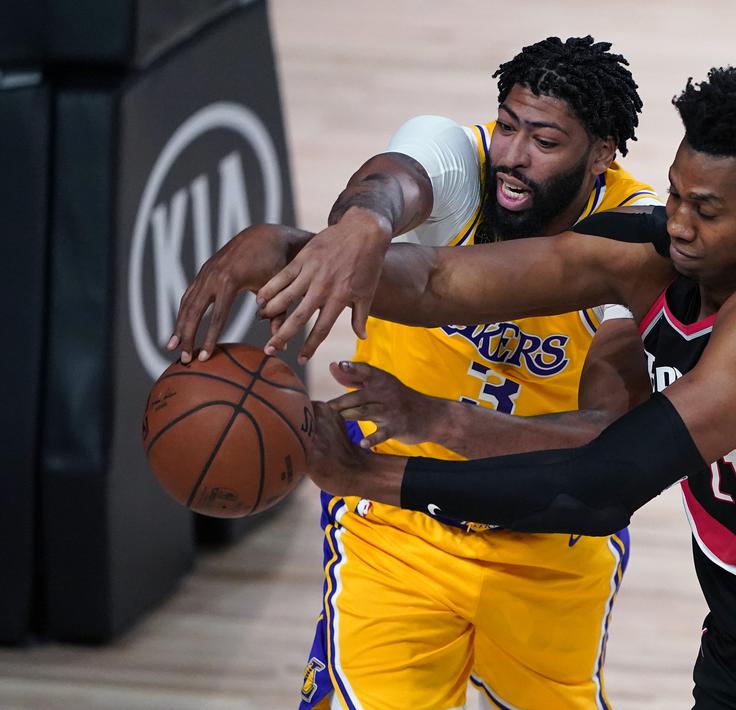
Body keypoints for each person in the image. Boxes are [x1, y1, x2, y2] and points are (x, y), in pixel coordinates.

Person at [177, 66, 736, 707]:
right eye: (674, 194)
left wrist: (375, 475)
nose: (679, 223)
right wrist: (291, 251)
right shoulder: (653, 252)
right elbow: (441, 282)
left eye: (706, 210)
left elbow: (600, 484)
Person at [172, 36, 658, 710]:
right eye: (508, 126)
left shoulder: (634, 238)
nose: (513, 156)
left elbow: (608, 440)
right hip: (394, 518)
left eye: (545, 141)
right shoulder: (460, 157)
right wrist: (360, 225)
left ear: (602, 153)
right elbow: (394, 178)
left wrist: (439, 420)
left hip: (547, 538)